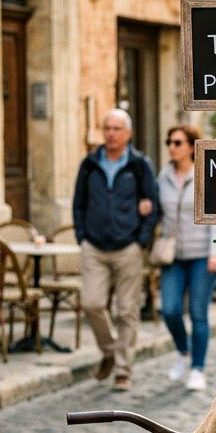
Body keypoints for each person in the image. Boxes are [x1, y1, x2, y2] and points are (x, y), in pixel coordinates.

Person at [72, 109, 159, 391]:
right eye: (107, 128)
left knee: (126, 311)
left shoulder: (138, 165)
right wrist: (82, 236)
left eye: (116, 129)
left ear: (127, 134)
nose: (110, 133)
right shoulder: (89, 164)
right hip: (94, 247)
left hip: (128, 247)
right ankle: (109, 350)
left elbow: (152, 206)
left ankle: (123, 369)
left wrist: (141, 240)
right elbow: (79, 204)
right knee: (92, 303)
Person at [157, 125, 216, 392]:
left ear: (191, 146)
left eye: (177, 142)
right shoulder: (164, 177)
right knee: (170, 310)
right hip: (173, 255)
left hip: (201, 256)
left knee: (198, 313)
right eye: (169, 142)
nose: (172, 147)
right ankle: (183, 353)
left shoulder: (205, 175)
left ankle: (197, 368)